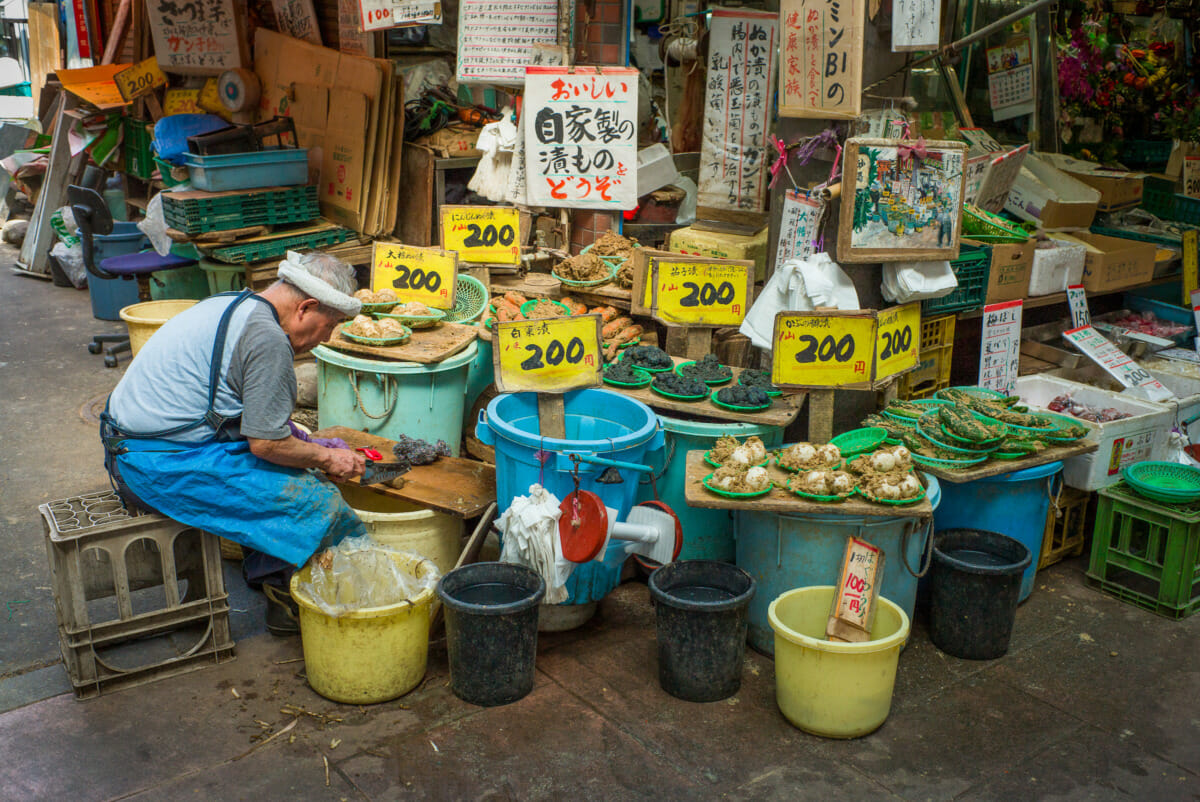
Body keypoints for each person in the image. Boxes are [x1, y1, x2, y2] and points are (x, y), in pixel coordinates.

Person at [99, 251, 368, 635]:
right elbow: (265, 445)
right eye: (331, 324)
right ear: (306, 308)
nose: (328, 337)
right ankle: (333, 600)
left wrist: (304, 442)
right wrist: (326, 458)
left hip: (133, 445)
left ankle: (275, 582)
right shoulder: (268, 339)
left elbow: (245, 414)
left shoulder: (235, 302)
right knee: (316, 501)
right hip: (154, 465)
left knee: (290, 461)